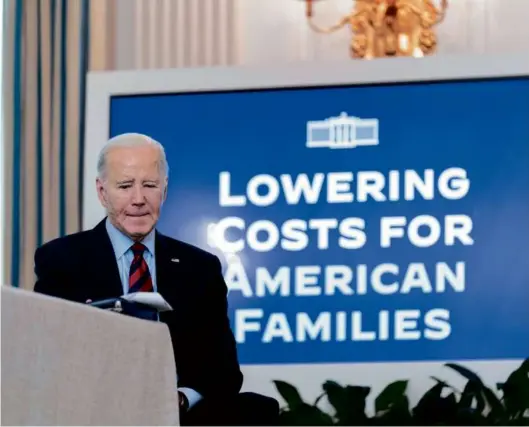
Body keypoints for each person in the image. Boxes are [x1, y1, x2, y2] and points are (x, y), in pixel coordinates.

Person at [33, 133, 279, 426]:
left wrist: (179, 399)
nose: (138, 199)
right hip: (95, 410)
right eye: (125, 186)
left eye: (149, 185)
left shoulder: (200, 267)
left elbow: (224, 371)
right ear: (102, 192)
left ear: (164, 190)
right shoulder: (61, 259)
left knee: (255, 408)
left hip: (179, 415)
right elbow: (47, 360)